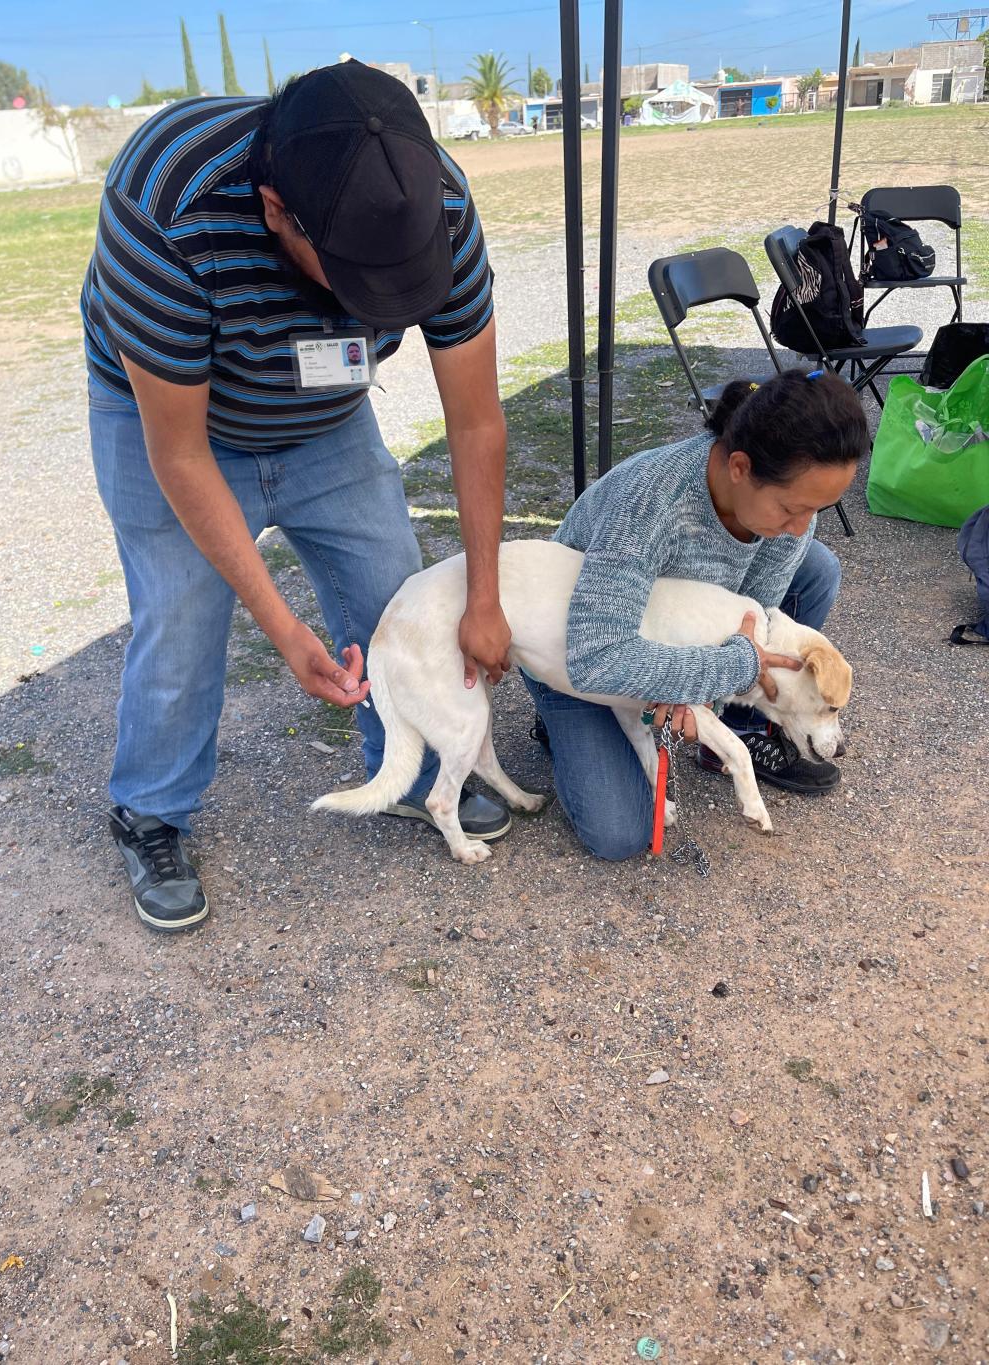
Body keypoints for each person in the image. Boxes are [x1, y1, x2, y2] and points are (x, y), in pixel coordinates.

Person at [81, 61, 513, 933]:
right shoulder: (167, 203)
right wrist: (284, 629)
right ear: (278, 208)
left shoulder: (438, 203)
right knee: (182, 615)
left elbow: (475, 423)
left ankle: (406, 772)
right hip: (170, 421)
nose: (376, 304)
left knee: (392, 589)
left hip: (327, 421)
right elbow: (180, 452)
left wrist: (486, 595)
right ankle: (152, 811)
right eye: (357, 277)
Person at [524, 369, 868, 860]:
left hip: (673, 631)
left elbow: (751, 620)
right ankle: (555, 715)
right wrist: (714, 674)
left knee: (817, 568)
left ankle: (739, 726)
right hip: (573, 641)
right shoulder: (651, 500)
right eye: (792, 508)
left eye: (817, 510)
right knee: (620, 833)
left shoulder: (794, 519)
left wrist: (703, 687)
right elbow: (596, 657)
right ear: (740, 468)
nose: (800, 528)